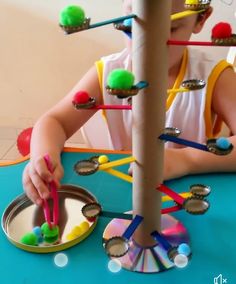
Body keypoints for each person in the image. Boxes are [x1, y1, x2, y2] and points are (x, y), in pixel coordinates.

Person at [23, 0, 236, 206]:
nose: (149, 45)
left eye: (170, 29)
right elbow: (55, 121)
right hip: (125, 198)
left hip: (190, 199)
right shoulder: (108, 72)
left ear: (201, 18)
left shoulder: (214, 77)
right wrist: (43, 158)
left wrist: (186, 160)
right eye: (133, 27)